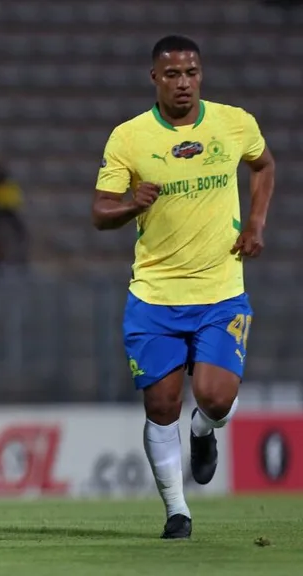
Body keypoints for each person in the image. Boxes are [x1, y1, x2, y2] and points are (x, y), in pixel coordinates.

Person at [92, 35, 275, 539]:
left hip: (220, 290)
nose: (183, 82)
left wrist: (256, 223)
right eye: (172, 74)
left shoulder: (233, 123)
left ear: (201, 75)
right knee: (161, 406)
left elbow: (263, 166)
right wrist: (132, 203)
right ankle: (177, 512)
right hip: (155, 296)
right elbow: (100, 211)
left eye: (191, 72)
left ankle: (204, 431)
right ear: (155, 78)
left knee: (213, 399)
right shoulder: (128, 138)